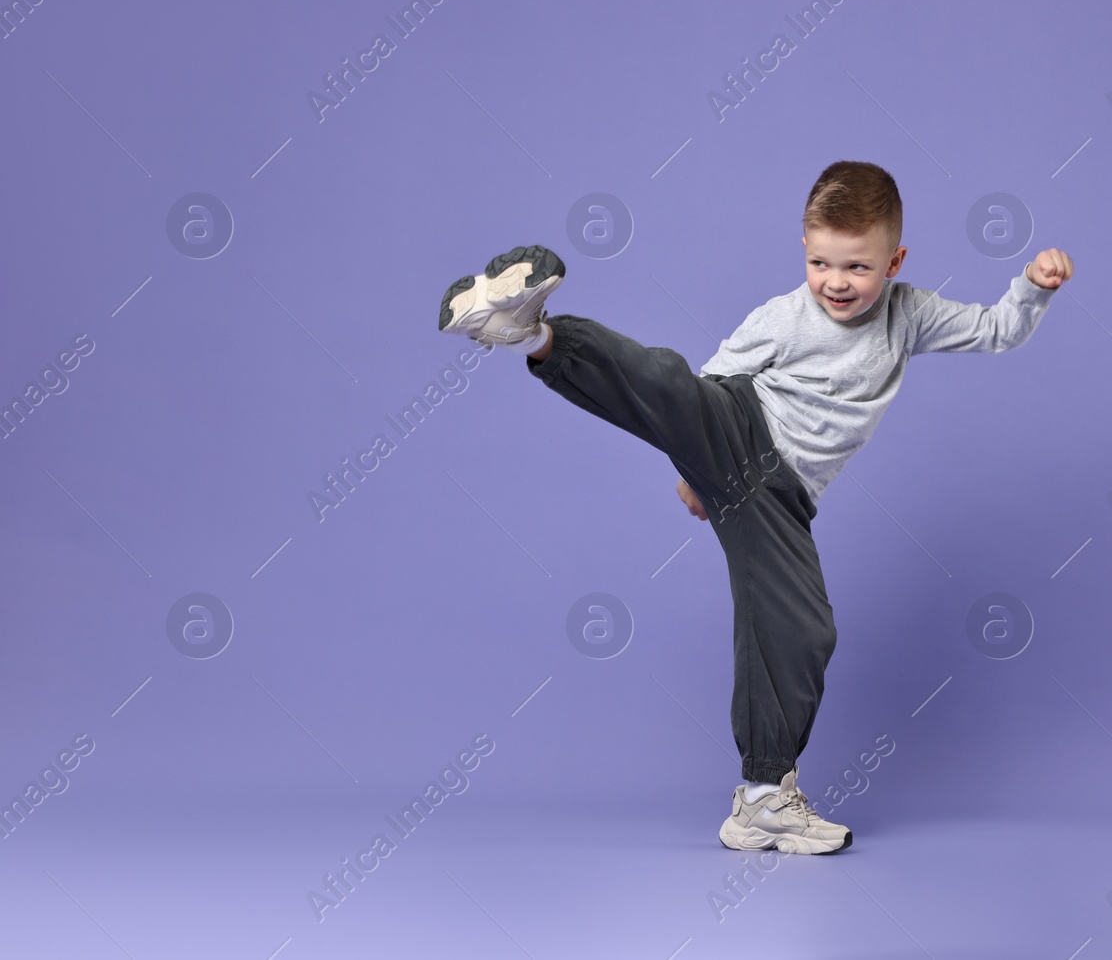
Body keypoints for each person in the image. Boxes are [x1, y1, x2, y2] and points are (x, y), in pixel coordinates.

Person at [437, 160, 1073, 854]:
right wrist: (696, 467)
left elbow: (996, 329)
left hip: (781, 498)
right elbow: (701, 389)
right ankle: (531, 331)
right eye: (821, 262)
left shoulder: (910, 313)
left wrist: (1032, 288)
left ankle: (764, 799)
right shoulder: (784, 317)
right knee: (667, 380)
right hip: (739, 427)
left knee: (804, 630)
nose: (836, 282)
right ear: (804, 250)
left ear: (895, 260)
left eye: (857, 267)